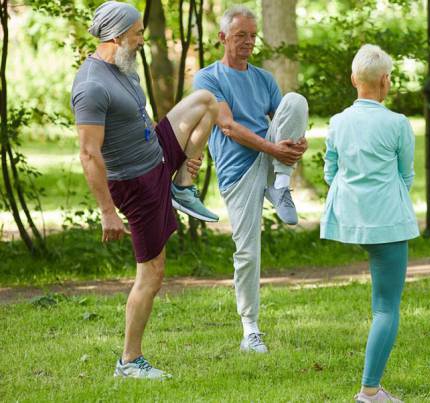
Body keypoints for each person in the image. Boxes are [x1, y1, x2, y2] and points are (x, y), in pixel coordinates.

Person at [71, 1, 219, 379]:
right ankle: (129, 361)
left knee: (207, 102)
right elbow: (89, 154)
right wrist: (107, 211)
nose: (141, 39)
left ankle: (183, 186)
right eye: (137, 33)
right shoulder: (91, 86)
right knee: (152, 272)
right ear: (116, 35)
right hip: (135, 182)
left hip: (156, 154)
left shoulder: (122, 68)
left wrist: (182, 156)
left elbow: (138, 116)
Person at [193, 5, 308, 354]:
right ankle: (250, 329)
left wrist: (297, 143)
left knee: (296, 100)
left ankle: (281, 186)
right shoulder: (207, 78)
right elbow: (227, 127)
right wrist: (275, 149)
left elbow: (284, 118)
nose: (248, 42)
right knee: (247, 250)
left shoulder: (263, 78)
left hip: (270, 158)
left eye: (252, 36)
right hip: (238, 169)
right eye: (241, 35)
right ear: (223, 37)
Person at [321, 44, 418, 403]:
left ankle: (372, 390)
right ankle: (370, 391)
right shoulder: (397, 123)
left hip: (348, 219)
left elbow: (331, 172)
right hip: (386, 221)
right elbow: (405, 177)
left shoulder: (337, 122)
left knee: (382, 303)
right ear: (385, 81)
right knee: (385, 307)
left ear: (353, 80)